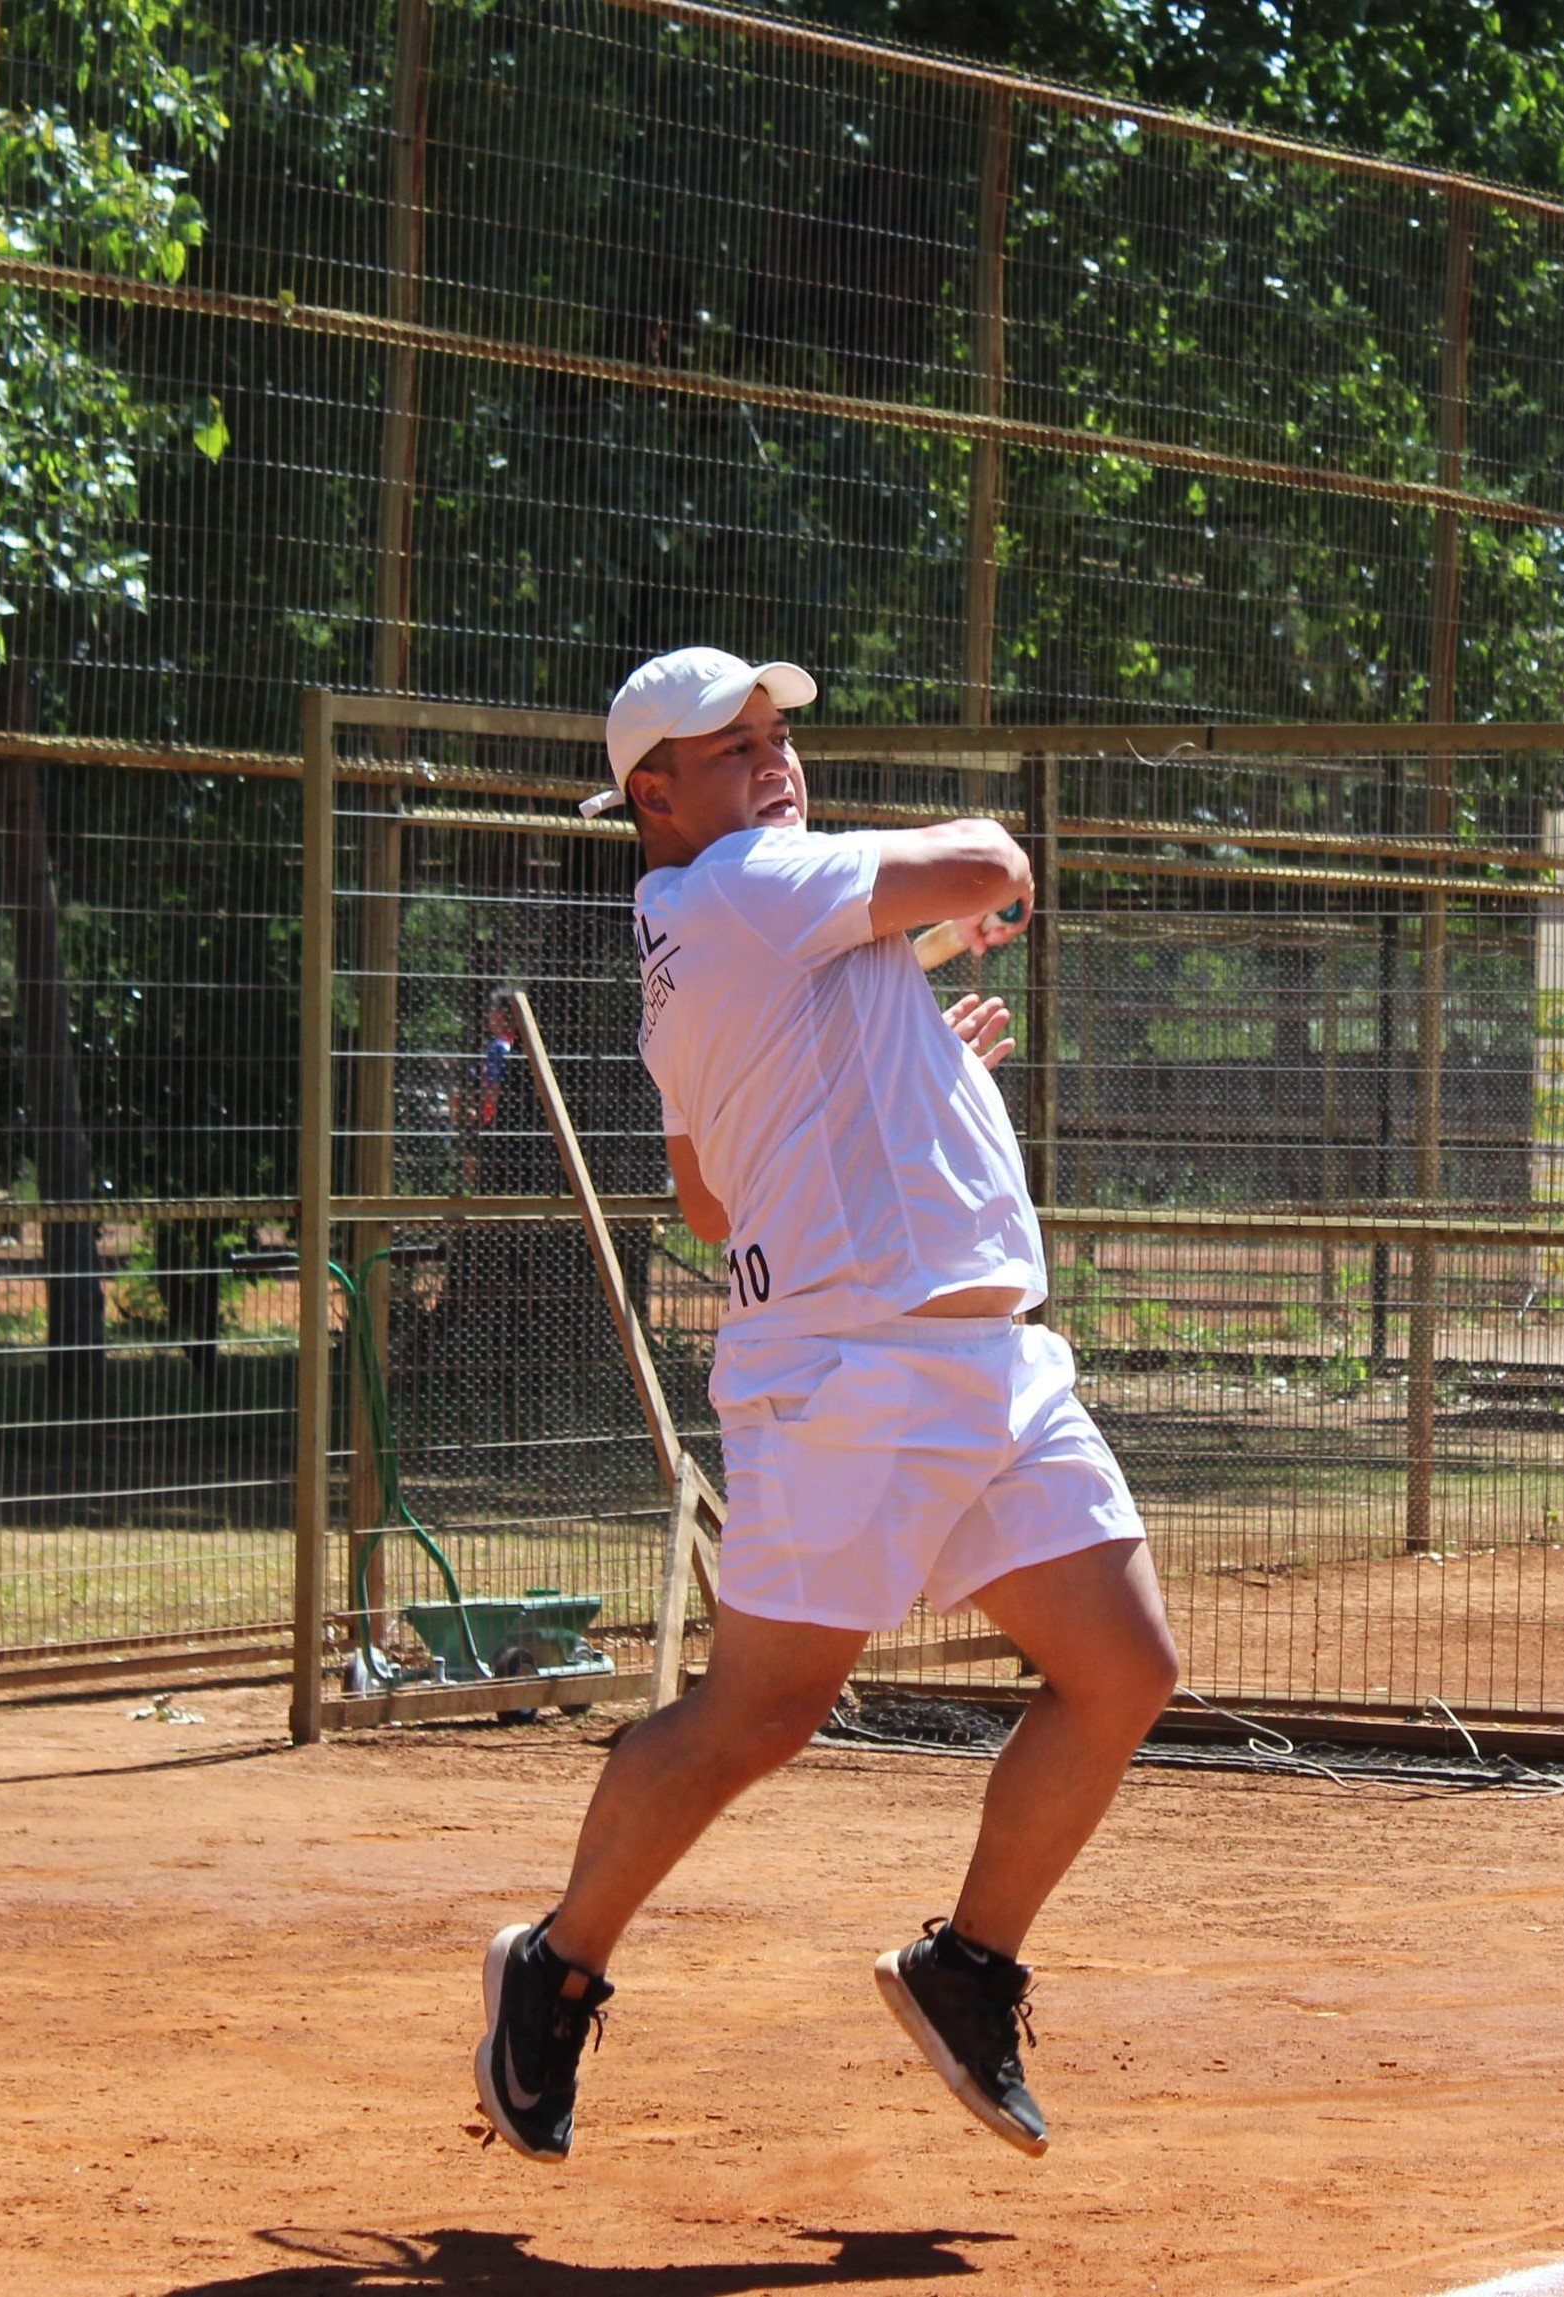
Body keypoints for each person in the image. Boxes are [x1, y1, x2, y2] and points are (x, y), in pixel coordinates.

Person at [473, 647, 1181, 2164]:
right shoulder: (742, 884)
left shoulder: (732, 932)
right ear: (650, 795)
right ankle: (556, 1963)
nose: (772, 759)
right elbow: (994, 860)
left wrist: (895, 1032)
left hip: (985, 1358)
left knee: (1119, 1669)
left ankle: (966, 1967)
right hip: (851, 1370)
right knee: (763, 1712)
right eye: (731, 746)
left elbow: (706, 1193)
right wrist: (924, 941)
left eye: (777, 732)